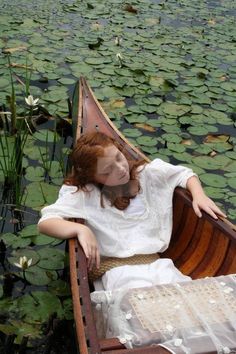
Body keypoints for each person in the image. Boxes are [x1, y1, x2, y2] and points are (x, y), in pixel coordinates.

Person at [38, 131, 226, 291]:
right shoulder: (85, 194)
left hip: (158, 264)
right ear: (92, 176)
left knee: (185, 295)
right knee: (139, 313)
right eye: (107, 170)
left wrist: (199, 195)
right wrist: (81, 229)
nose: (120, 169)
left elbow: (183, 174)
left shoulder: (146, 174)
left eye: (119, 158)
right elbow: (47, 222)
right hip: (119, 272)